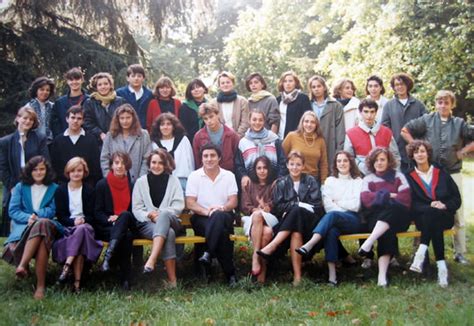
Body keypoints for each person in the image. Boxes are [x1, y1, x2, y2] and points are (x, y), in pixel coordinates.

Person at [401, 90, 474, 264]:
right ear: (435, 103)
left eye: (446, 102)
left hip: (452, 170)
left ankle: (460, 252)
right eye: (440, 102)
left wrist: (464, 151)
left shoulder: (459, 123)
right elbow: (405, 130)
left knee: (457, 213)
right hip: (430, 172)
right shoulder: (427, 120)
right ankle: (418, 250)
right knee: (425, 209)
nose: (443, 105)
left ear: (452, 105)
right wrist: (416, 146)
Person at [296, 151, 363, 285]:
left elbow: (356, 206)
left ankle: (310, 244)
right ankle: (332, 276)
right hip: (335, 220)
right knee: (331, 231)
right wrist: (342, 206)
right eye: (339, 161)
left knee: (332, 216)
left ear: (350, 163)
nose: (342, 164)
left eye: (345, 161)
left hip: (353, 220)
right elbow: (328, 206)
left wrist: (338, 203)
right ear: (335, 164)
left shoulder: (358, 181)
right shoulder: (330, 181)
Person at [257, 151, 323, 286]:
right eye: (292, 164)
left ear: (303, 166)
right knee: (295, 230)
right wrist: (296, 206)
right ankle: (297, 277)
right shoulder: (281, 183)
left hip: (309, 223)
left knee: (297, 211)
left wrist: (297, 205)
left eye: (298, 164)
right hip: (290, 225)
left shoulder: (311, 181)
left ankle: (274, 245)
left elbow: (316, 206)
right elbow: (277, 207)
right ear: (287, 165)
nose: (295, 167)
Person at [405, 140, 461, 287]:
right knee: (431, 214)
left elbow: (456, 198)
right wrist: (430, 205)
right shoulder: (409, 177)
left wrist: (444, 205)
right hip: (423, 217)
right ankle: (441, 268)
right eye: (416, 152)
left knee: (434, 215)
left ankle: (421, 251)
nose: (420, 154)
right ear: (412, 155)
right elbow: (411, 203)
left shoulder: (441, 173)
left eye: (422, 151)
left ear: (428, 153)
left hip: (444, 216)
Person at [3, 156, 60, 299]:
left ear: (47, 170)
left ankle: (22, 265)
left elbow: (52, 210)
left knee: (42, 224)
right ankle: (40, 286)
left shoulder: (54, 188)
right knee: (41, 240)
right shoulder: (20, 187)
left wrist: (36, 215)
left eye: (42, 169)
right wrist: (28, 218)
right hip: (24, 226)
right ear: (30, 171)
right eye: (35, 170)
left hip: (48, 223)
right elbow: (13, 210)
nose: (39, 172)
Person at [186, 143, 239, 286]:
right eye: (206, 156)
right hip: (201, 217)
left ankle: (208, 254)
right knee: (221, 233)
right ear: (201, 158)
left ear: (219, 158)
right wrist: (207, 212)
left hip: (224, 214)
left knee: (219, 217)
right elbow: (190, 203)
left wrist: (221, 208)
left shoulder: (228, 176)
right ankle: (230, 274)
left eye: (212, 155)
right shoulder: (194, 176)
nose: (209, 159)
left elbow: (233, 201)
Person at [358, 147, 411, 287]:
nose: (379, 163)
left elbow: (404, 199)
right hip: (376, 219)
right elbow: (366, 200)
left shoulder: (398, 176)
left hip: (399, 217)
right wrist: (389, 195)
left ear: (389, 161)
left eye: (382, 159)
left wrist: (381, 197)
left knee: (392, 209)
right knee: (386, 228)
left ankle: (369, 242)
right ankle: (382, 277)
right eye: (376, 160)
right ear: (371, 162)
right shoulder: (368, 179)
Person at [132, 149, 184, 287]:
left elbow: (179, 205)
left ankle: (152, 259)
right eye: (154, 162)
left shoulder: (174, 181)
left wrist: (160, 215)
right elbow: (136, 208)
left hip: (172, 220)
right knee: (169, 234)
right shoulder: (140, 182)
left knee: (166, 215)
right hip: (148, 223)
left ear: (166, 164)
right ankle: (173, 281)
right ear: (149, 164)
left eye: (161, 163)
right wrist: (149, 215)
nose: (156, 166)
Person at [52, 157, 102, 293]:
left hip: (86, 226)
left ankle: (67, 266)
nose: (76, 173)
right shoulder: (61, 191)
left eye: (79, 170)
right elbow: (60, 216)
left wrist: (83, 220)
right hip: (68, 228)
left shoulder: (89, 190)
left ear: (84, 172)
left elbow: (93, 215)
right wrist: (73, 222)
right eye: (72, 171)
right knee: (80, 239)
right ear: (68, 173)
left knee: (83, 229)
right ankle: (77, 284)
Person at [0, 106, 49, 236]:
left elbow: (45, 160)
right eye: (25, 118)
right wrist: (12, 186)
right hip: (12, 182)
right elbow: (3, 167)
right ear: (18, 118)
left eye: (31, 120)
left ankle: (32, 233)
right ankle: (11, 238)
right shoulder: (5, 141)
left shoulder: (39, 138)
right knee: (11, 207)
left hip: (35, 180)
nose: (27, 121)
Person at [93, 151, 136, 290]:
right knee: (127, 236)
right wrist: (109, 220)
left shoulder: (131, 185)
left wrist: (119, 218)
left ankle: (108, 257)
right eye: (116, 163)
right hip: (107, 227)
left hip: (126, 222)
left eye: (123, 163)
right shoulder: (102, 184)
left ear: (127, 166)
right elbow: (97, 212)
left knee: (124, 215)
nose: (120, 166)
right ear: (111, 165)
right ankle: (125, 279)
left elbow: (133, 211)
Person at [240, 156, 278, 283]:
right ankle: (262, 276)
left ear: (269, 169)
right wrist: (255, 210)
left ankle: (255, 256)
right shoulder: (249, 184)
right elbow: (245, 206)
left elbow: (275, 204)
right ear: (255, 170)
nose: (262, 171)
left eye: (265, 168)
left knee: (259, 216)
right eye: (259, 168)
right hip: (251, 218)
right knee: (265, 232)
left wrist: (266, 208)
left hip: (269, 218)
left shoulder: (274, 184)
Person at [381, 72, 427, 172]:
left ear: (408, 85)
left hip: (416, 149)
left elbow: (426, 125)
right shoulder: (389, 105)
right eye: (397, 85)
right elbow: (384, 127)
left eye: (402, 84)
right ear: (393, 87)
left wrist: (419, 142)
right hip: (396, 149)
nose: (399, 87)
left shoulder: (418, 104)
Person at [344, 99, 400, 175]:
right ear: (360, 113)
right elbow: (349, 157)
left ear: (376, 113)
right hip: (361, 175)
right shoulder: (351, 133)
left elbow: (395, 155)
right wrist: (362, 167)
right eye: (366, 112)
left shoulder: (386, 132)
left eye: (372, 112)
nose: (369, 115)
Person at [235, 109, 287, 188]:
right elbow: (239, 165)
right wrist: (244, 176)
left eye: (260, 120)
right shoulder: (243, 143)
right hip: (252, 186)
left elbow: (282, 161)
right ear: (249, 121)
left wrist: (279, 179)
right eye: (254, 119)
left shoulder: (274, 139)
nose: (257, 123)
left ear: (264, 121)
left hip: (273, 184)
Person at [100, 104, 152, 184]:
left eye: (128, 118)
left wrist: (141, 180)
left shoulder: (143, 135)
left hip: (137, 181)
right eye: (122, 118)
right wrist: (109, 177)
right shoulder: (110, 136)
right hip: (115, 181)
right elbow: (104, 158)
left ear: (133, 118)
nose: (125, 121)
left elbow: (147, 158)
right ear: (118, 119)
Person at [50, 105, 101, 186]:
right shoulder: (58, 140)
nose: (75, 121)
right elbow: (55, 165)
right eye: (73, 118)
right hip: (64, 185)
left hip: (86, 186)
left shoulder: (91, 140)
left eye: (79, 118)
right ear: (67, 119)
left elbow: (95, 166)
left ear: (83, 121)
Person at [307, 75, 345, 168]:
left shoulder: (335, 105)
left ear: (324, 87)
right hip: (311, 142)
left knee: (328, 168)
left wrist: (339, 148)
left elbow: (340, 129)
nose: (316, 89)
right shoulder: (308, 104)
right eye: (313, 87)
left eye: (319, 86)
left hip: (329, 142)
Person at [150, 113, 194, 191]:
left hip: (182, 180)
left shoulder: (183, 140)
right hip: (161, 181)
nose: (165, 127)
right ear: (158, 127)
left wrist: (191, 181)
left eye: (168, 124)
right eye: (162, 124)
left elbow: (191, 161)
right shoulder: (154, 143)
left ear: (174, 126)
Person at [282, 111, 328, 183]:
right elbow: (282, 158)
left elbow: (323, 164)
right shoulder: (292, 136)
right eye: (306, 121)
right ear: (302, 123)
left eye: (312, 122)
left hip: (313, 180)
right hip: (294, 178)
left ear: (316, 125)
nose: (309, 124)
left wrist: (323, 183)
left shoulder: (320, 141)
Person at [192, 102, 240, 172]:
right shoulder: (198, 137)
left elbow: (237, 159)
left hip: (228, 173)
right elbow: (197, 160)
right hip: (206, 175)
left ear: (218, 114)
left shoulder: (231, 134)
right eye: (205, 119)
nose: (209, 121)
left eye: (211, 116)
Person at [83, 72, 127, 144]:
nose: (103, 87)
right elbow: (87, 122)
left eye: (106, 84)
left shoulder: (120, 101)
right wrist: (100, 134)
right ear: (95, 87)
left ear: (110, 85)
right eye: (99, 85)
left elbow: (125, 119)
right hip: (97, 141)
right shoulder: (90, 102)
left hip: (118, 140)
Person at [50, 67, 89, 137]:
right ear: (67, 81)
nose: (74, 82)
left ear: (82, 80)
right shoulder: (59, 103)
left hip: (86, 140)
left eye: (77, 79)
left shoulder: (90, 100)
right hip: (64, 141)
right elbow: (55, 124)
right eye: (71, 79)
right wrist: (61, 138)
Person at [213, 71, 249, 138]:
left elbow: (245, 122)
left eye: (228, 82)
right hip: (220, 138)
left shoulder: (242, 101)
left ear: (233, 83)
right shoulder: (213, 103)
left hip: (240, 138)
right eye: (222, 83)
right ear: (219, 86)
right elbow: (213, 122)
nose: (225, 85)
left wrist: (236, 137)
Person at [276, 71, 312, 139]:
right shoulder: (278, 100)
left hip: (297, 138)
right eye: (285, 81)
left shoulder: (303, 98)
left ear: (296, 83)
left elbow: (307, 119)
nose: (288, 84)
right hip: (279, 138)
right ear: (282, 84)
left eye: (290, 81)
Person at [116, 64, 153, 128]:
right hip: (125, 130)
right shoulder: (120, 93)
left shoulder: (149, 94)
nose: (136, 78)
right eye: (133, 76)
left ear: (143, 78)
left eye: (139, 76)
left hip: (144, 130)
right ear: (128, 78)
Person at [26, 76, 56, 143]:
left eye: (47, 90)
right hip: (33, 142)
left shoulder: (53, 106)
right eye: (42, 89)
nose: (45, 92)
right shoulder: (29, 107)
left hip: (50, 142)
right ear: (36, 90)